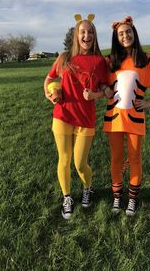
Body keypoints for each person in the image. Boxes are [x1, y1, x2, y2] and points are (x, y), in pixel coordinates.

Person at [103, 16, 150, 216]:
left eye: (128, 32)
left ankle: (132, 199)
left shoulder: (145, 59)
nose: (125, 36)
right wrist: (103, 89)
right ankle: (117, 197)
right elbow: (98, 80)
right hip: (113, 118)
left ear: (134, 33)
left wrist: (149, 102)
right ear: (116, 37)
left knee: (135, 158)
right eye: (121, 33)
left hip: (135, 118)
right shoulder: (110, 60)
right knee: (116, 158)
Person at [44, 14, 109, 219]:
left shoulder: (100, 61)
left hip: (85, 119)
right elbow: (49, 78)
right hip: (62, 115)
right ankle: (67, 197)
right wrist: (49, 93)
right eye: (83, 32)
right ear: (76, 35)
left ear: (94, 36)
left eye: (90, 32)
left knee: (80, 163)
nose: (86, 35)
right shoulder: (64, 58)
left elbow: (107, 90)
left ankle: (87, 187)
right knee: (64, 159)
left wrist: (95, 95)